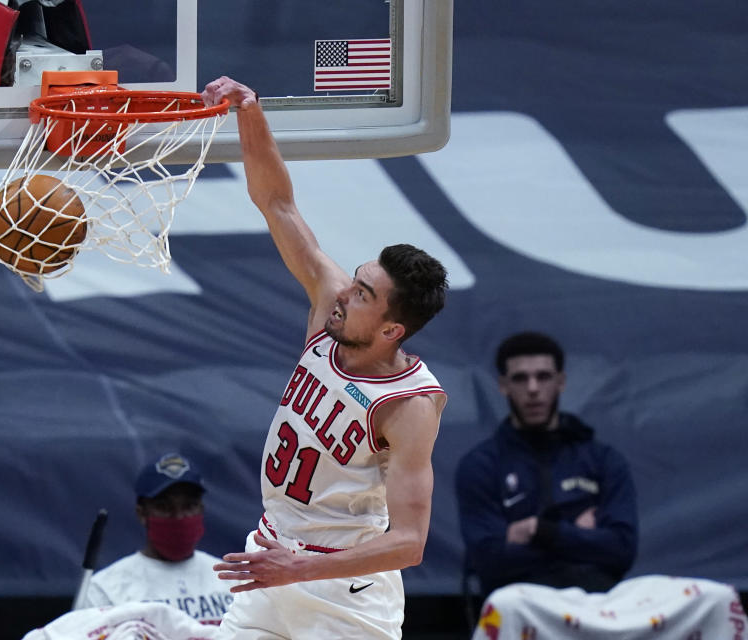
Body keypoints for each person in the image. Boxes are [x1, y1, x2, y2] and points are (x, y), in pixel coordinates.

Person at [200, 77, 450, 640]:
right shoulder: (329, 309)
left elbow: (410, 544)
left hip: (345, 595)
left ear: (391, 328)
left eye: (363, 293)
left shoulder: (410, 405)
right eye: (356, 279)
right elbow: (277, 203)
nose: (344, 292)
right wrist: (249, 110)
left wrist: (302, 568)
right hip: (270, 558)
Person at [455, 331, 638, 600]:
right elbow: (489, 561)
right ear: (503, 385)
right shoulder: (481, 465)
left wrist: (541, 531)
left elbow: (622, 550)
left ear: (561, 382)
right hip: (518, 609)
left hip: (595, 607)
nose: (532, 389)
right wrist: (578, 535)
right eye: (520, 378)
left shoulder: (603, 461)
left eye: (543, 377)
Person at [81, 452, 235, 626]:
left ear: (201, 509)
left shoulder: (231, 580)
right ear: (142, 513)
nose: (178, 516)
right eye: (164, 507)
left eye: (189, 506)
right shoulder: (105, 589)